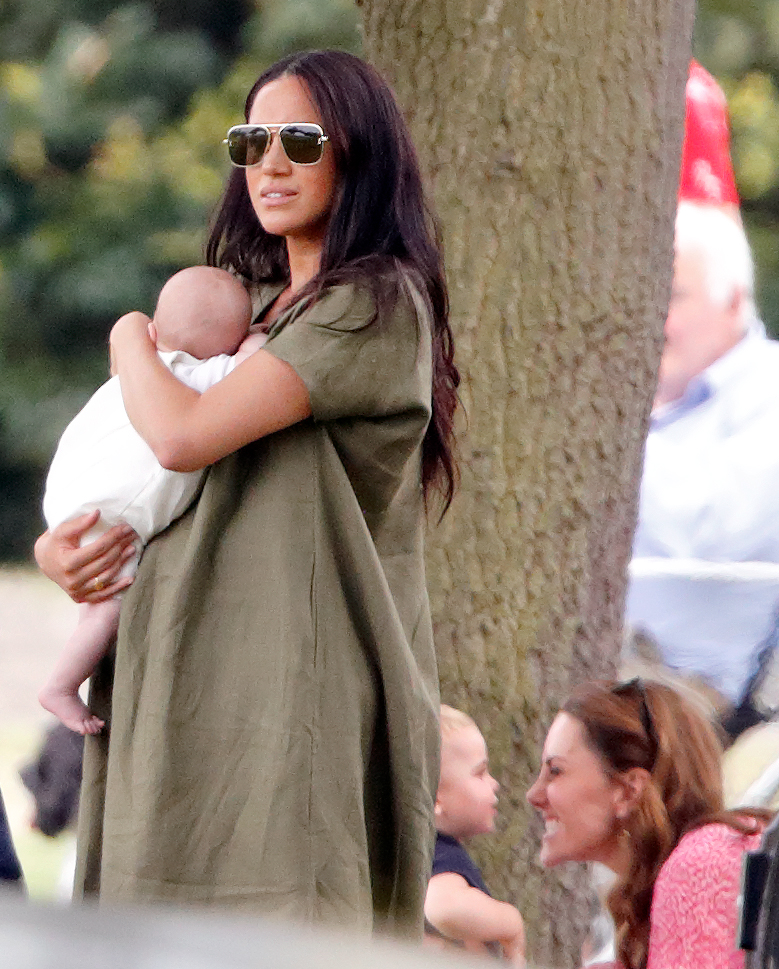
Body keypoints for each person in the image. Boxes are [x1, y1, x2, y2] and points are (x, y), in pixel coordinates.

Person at [34, 49, 459, 934]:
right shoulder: (242, 307)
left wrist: (126, 339)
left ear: (358, 153)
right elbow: (135, 468)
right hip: (169, 679)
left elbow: (183, 439)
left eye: (300, 139)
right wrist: (61, 550)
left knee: (278, 927)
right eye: (252, 140)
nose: (270, 161)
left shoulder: (371, 307)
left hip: (290, 700)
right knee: (150, 931)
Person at [38, 265, 259, 735]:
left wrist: (130, 330)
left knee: (94, 598)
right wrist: (253, 339)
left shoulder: (135, 373)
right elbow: (255, 363)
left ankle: (78, 657)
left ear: (155, 330)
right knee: (109, 604)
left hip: (70, 495)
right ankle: (60, 684)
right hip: (114, 510)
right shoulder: (205, 376)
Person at [627, 201, 779, 712]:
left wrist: (602, 439)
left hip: (696, 699)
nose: (651, 317)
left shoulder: (769, 393)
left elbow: (710, 529)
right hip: (592, 669)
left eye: (672, 296)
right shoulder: (642, 396)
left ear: (734, 301)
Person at [526, 678, 771, 969]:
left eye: (556, 771)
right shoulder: (689, 866)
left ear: (629, 791)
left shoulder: (704, 860)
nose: (534, 795)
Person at [424, 705, 525, 964]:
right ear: (436, 798)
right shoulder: (441, 855)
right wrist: (511, 923)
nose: (495, 783)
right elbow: (443, 908)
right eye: (480, 773)